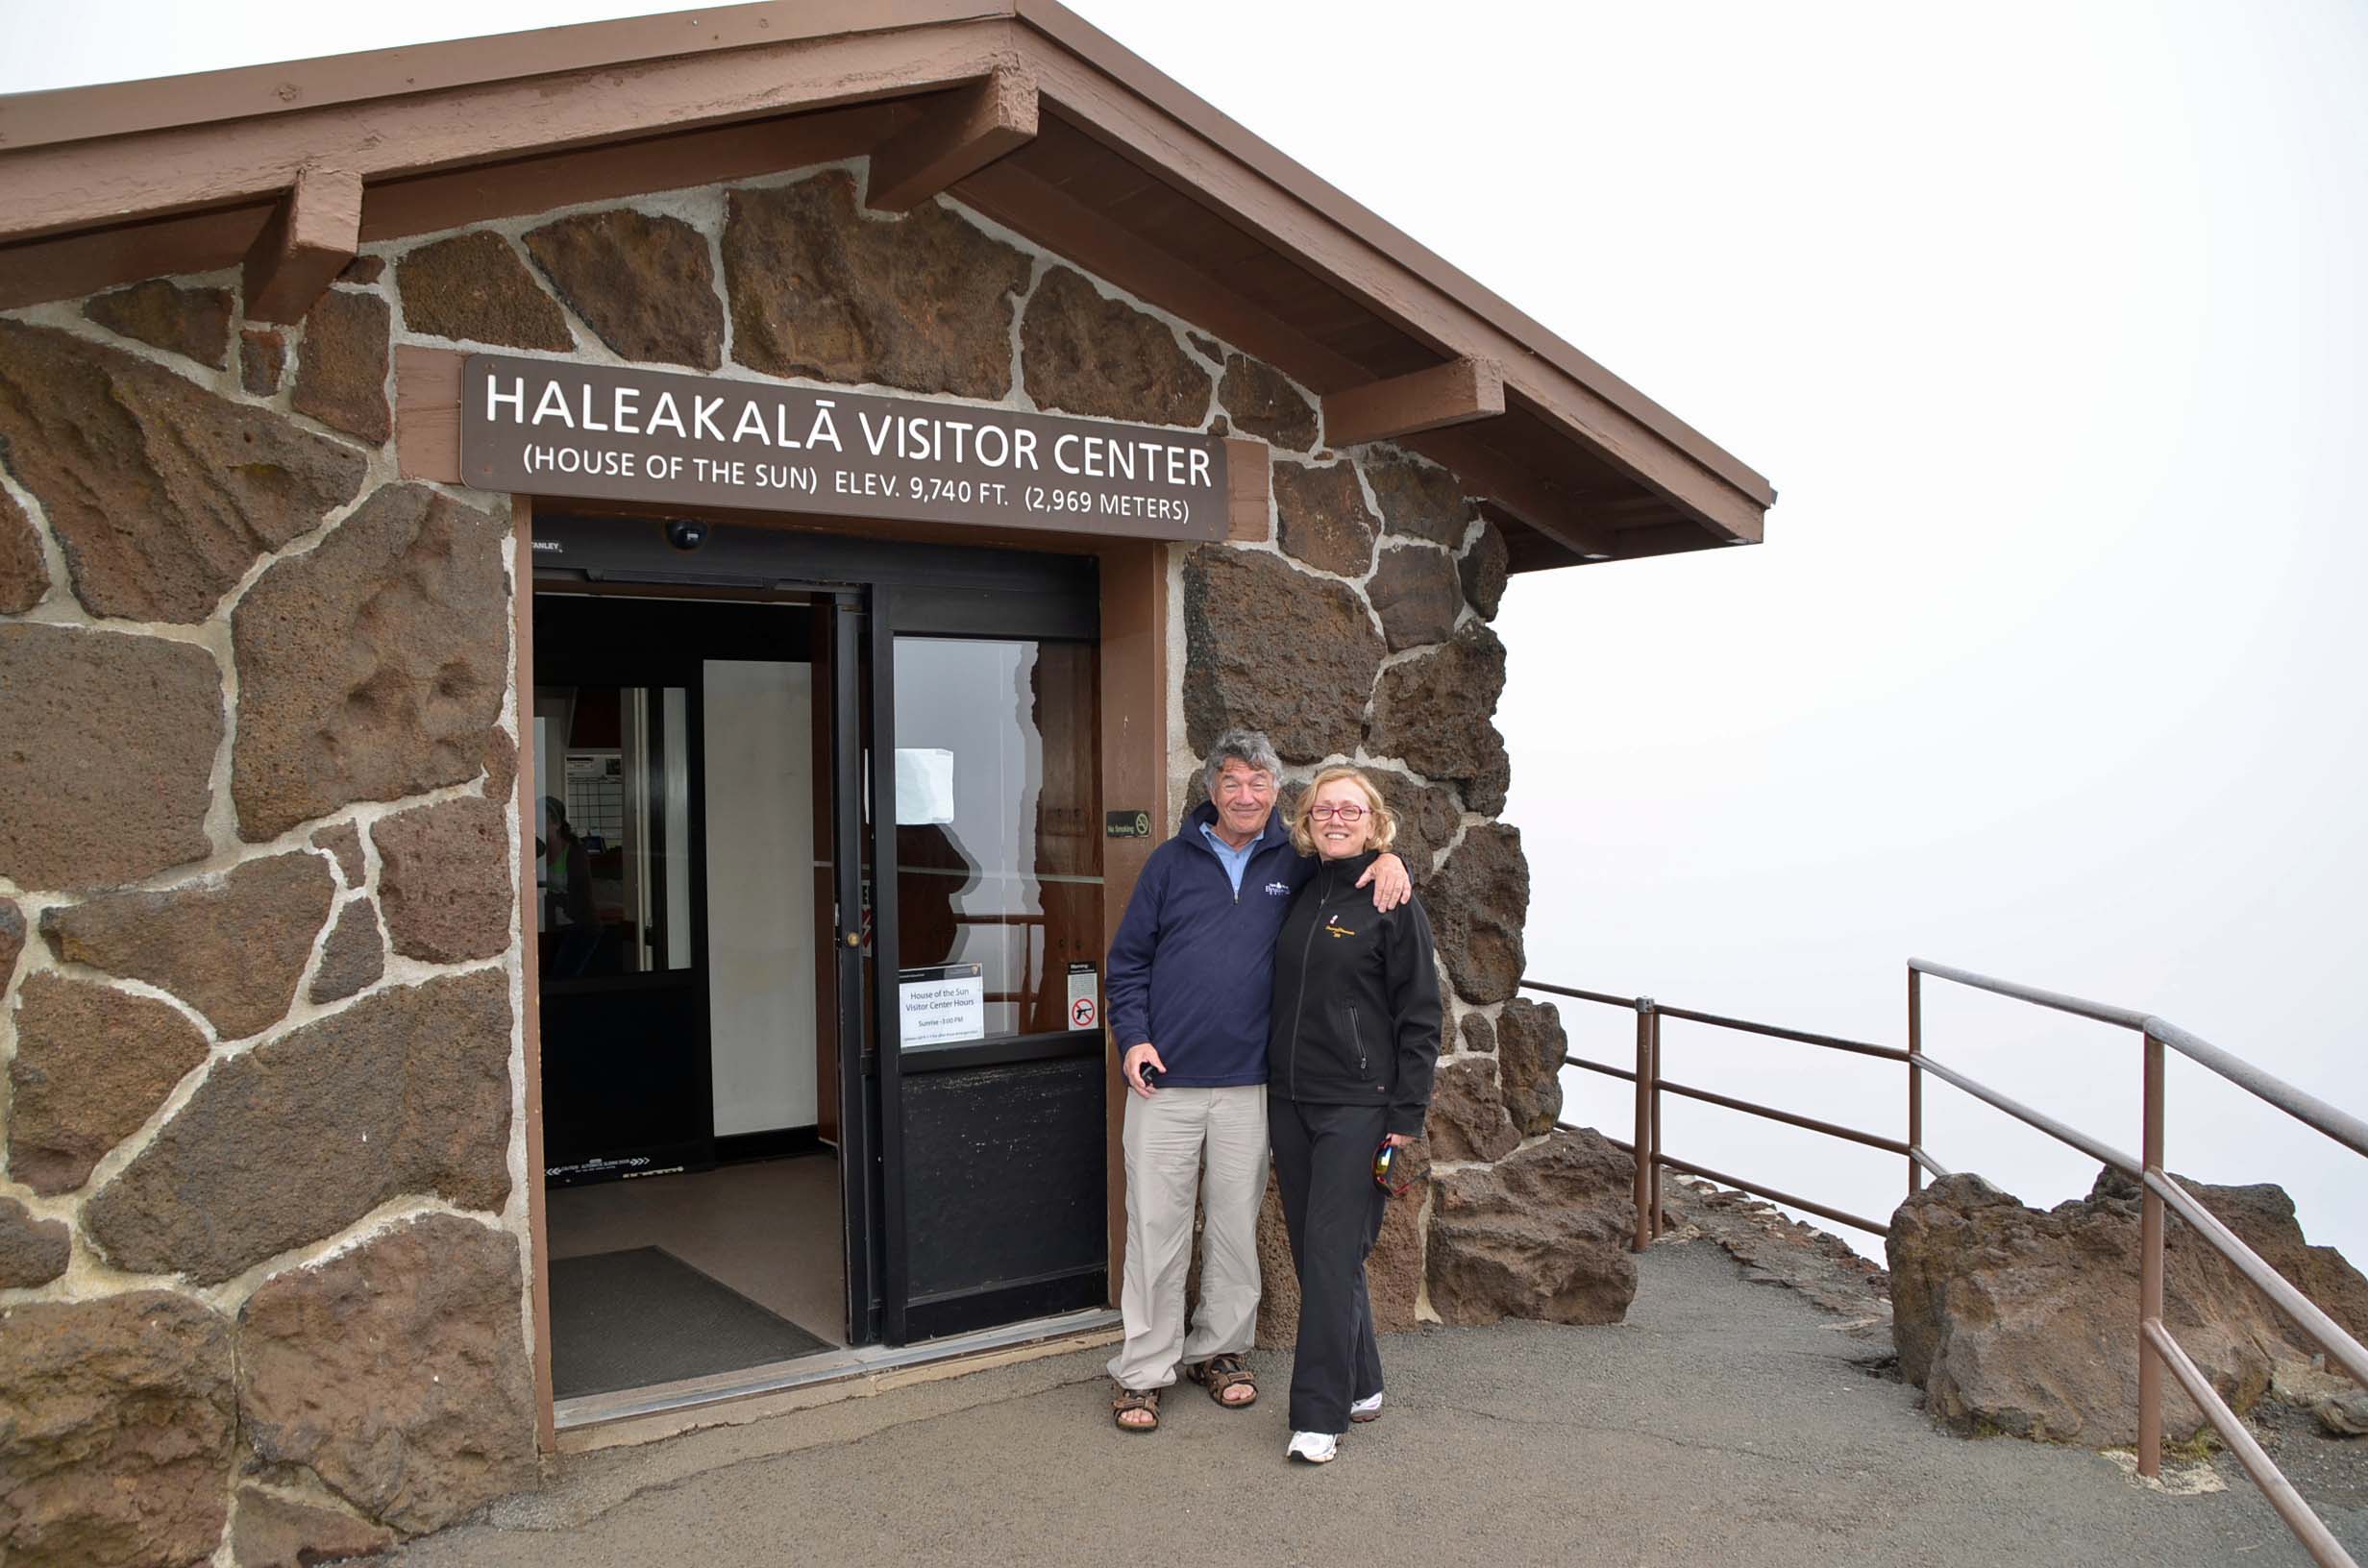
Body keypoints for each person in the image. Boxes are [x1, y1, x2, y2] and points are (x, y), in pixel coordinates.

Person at [1101, 731, 1410, 1433]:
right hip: (1164, 1082)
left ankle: (1222, 1353)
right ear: (1212, 790)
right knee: (1156, 1228)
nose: (1246, 795)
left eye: (1259, 782)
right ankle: (1144, 1371)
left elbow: (1351, 862)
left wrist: (1392, 859)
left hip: (1251, 1086)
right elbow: (1127, 963)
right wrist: (1135, 1038)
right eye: (1232, 781)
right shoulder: (1168, 864)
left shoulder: (1295, 864)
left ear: (1278, 793)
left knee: (1237, 1230)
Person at [1266, 766, 1442, 1464]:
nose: (1336, 819)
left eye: (1351, 809)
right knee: (1321, 1257)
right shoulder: (1302, 887)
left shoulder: (1393, 900)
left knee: (1334, 1254)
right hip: (1291, 1098)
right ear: (1307, 822)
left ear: (1375, 821)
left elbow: (1421, 1015)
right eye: (1323, 809)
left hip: (1360, 1108)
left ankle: (1320, 1413)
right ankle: (1362, 1381)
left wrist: (1407, 1112)